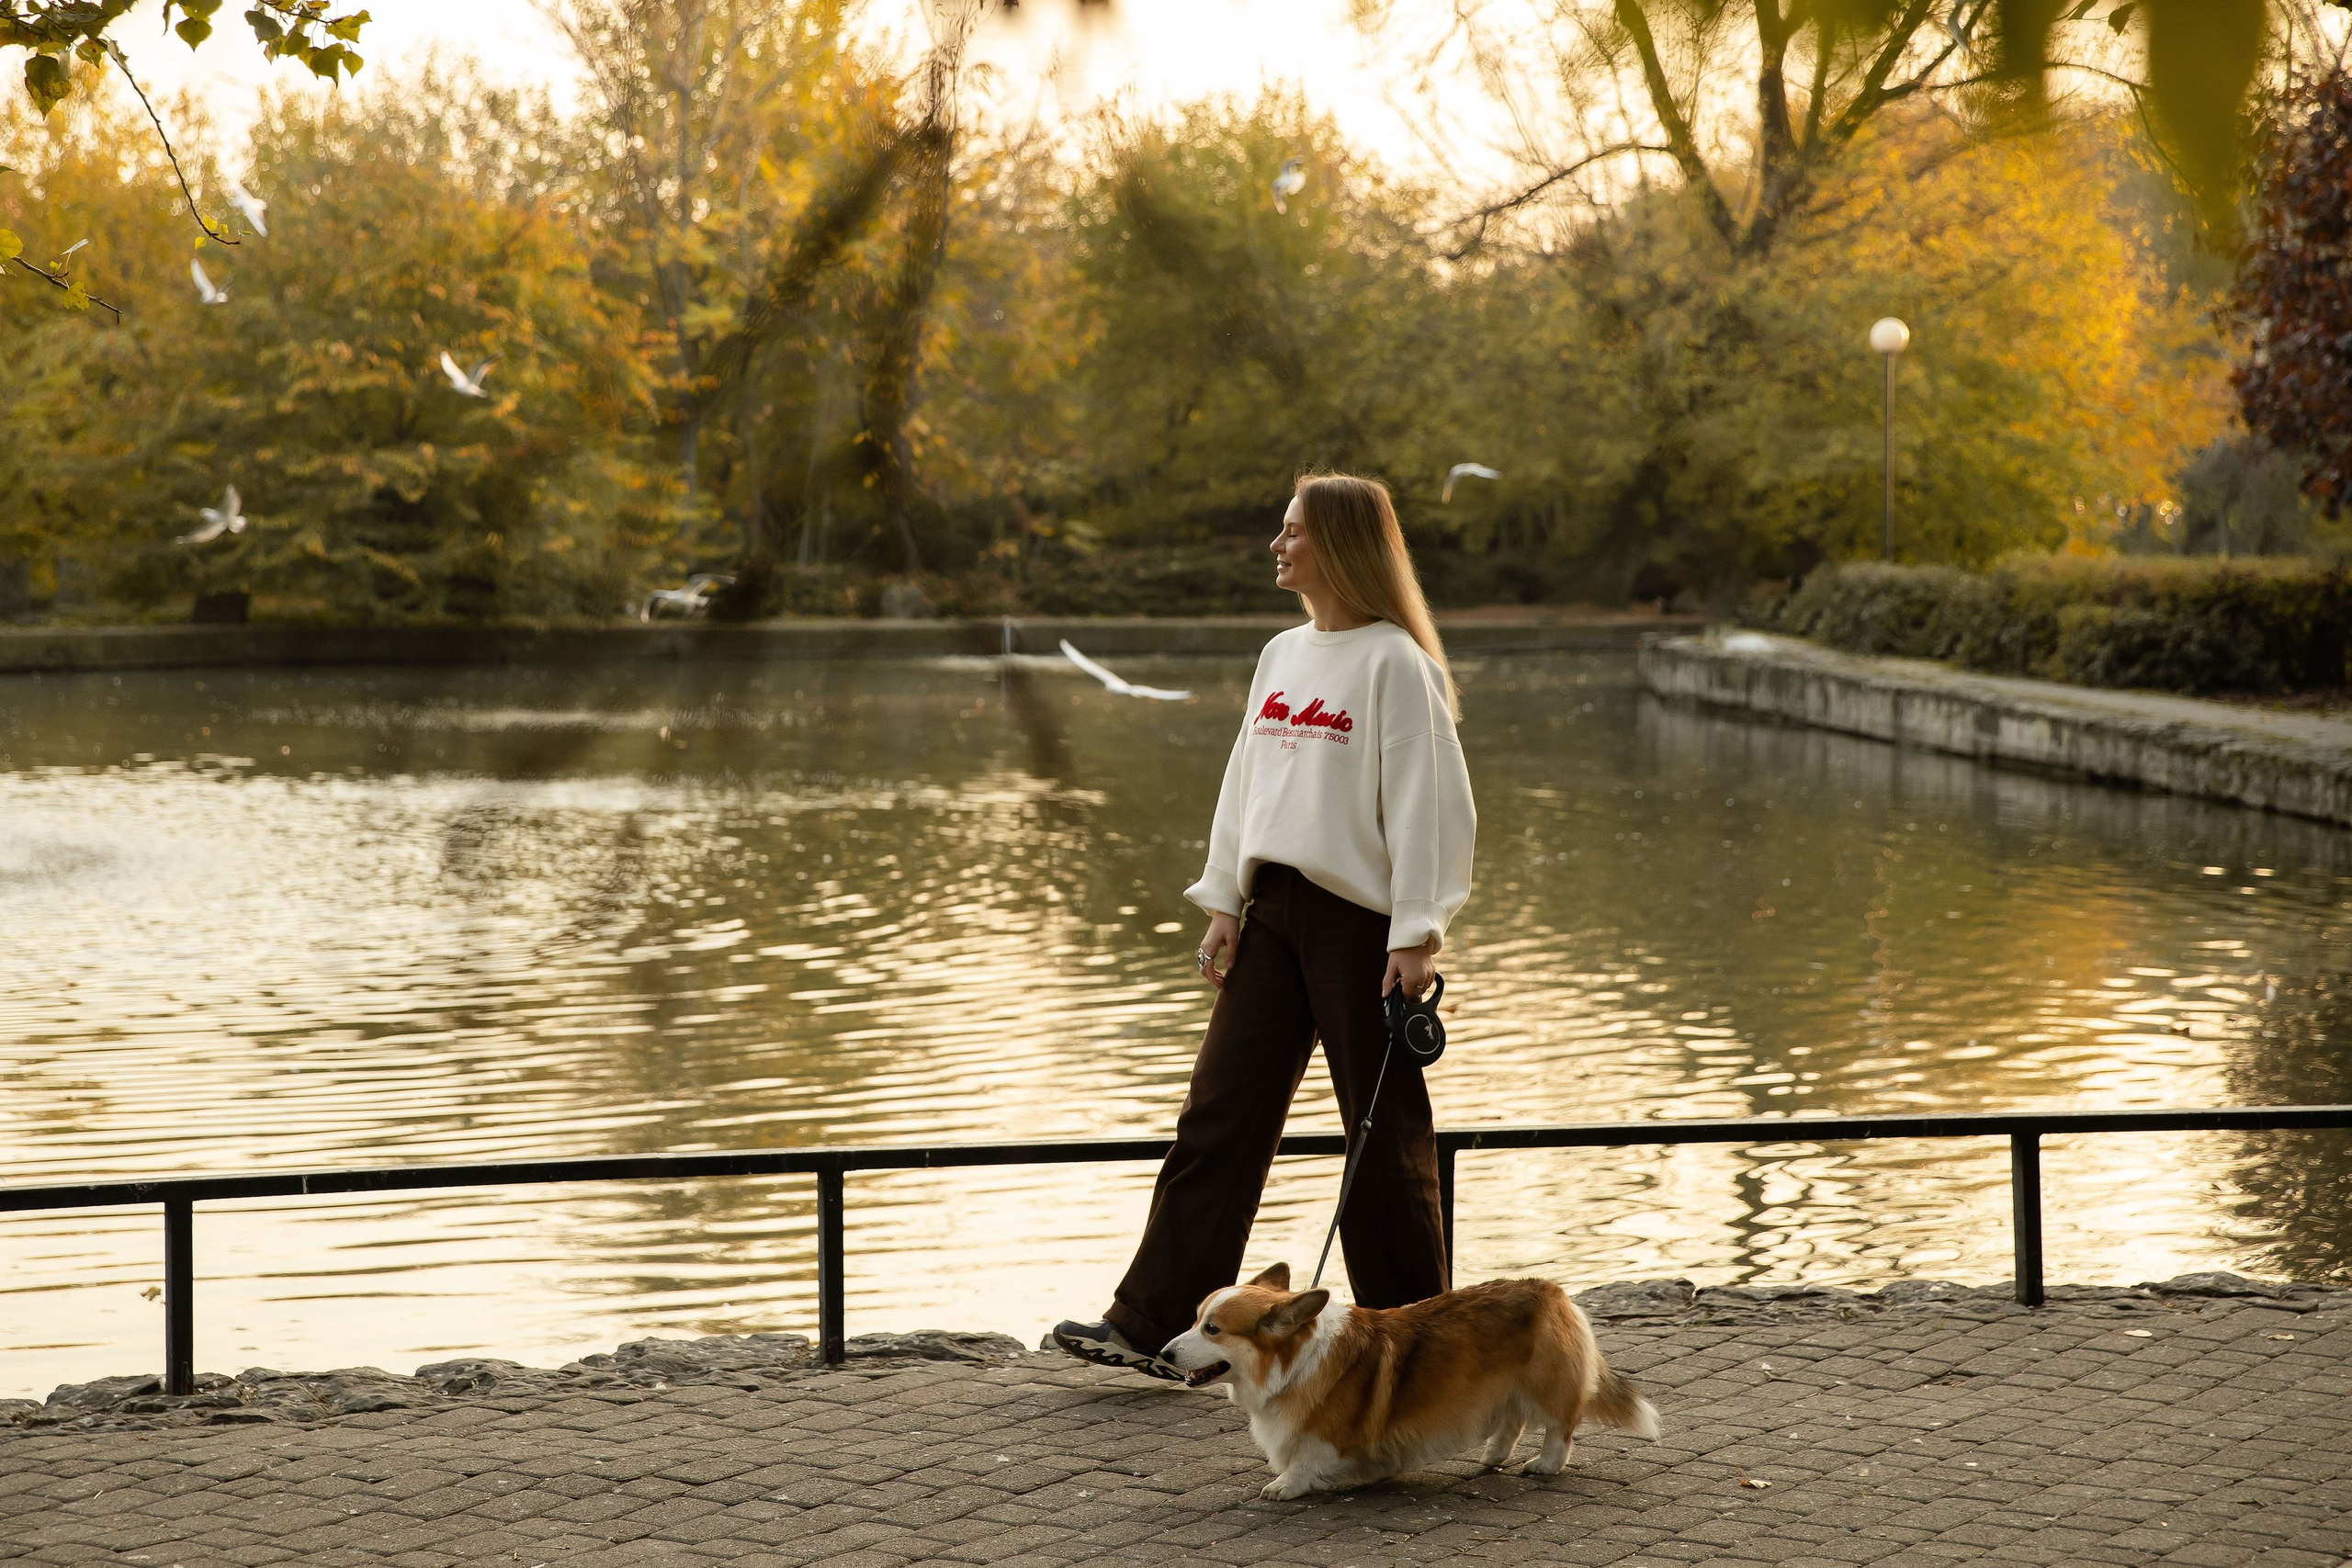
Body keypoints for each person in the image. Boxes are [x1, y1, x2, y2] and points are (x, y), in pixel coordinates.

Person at [1052, 472, 1477, 1378]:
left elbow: (1430, 807)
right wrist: (1223, 902)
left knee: (1383, 1139)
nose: (1275, 546)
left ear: (1339, 545)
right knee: (1219, 1116)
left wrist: (1416, 930)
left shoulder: (1396, 664)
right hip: (1273, 912)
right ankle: (1152, 1323)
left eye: (1291, 533)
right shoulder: (1280, 655)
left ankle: (1418, 1351)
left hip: (1362, 925)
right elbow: (1246, 787)